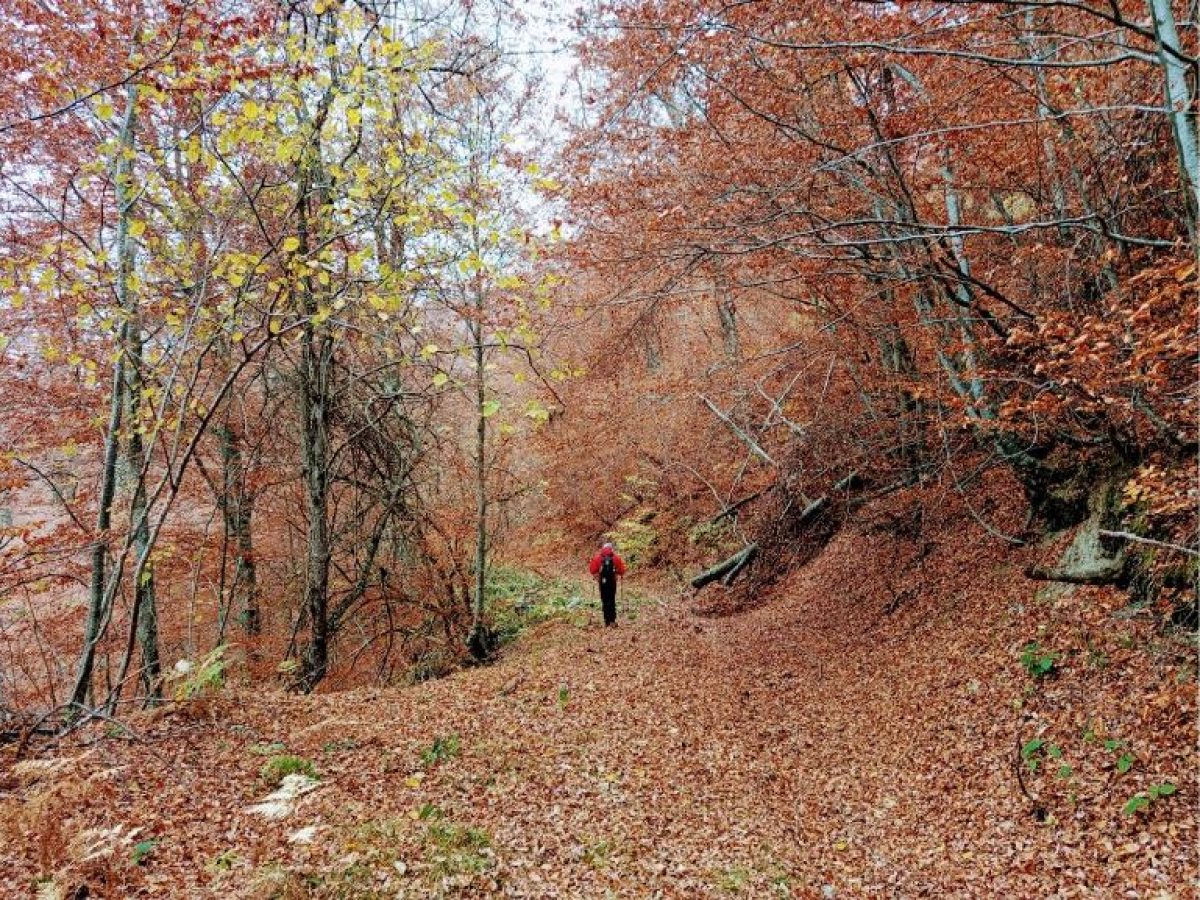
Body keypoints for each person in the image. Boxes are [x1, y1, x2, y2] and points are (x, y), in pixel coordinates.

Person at [588, 542, 627, 627]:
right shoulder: (616, 558)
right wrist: (617, 573)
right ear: (611, 549)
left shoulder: (597, 558)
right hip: (612, 582)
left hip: (602, 582)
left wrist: (597, 576)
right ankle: (612, 620)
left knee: (604, 600)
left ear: (603, 548)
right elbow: (622, 570)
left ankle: (606, 621)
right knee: (611, 599)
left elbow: (592, 569)